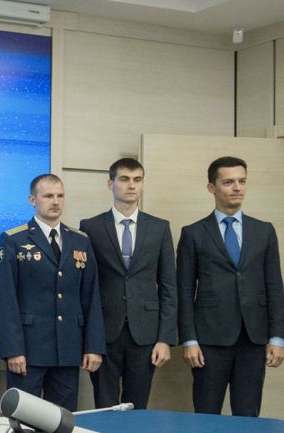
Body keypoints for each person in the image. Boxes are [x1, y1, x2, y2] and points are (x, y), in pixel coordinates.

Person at [177, 156, 284, 416]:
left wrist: (277, 337)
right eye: (228, 182)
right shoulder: (193, 233)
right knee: (206, 413)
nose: (237, 187)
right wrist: (189, 340)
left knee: (248, 416)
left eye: (242, 181)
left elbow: (275, 287)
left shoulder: (264, 231)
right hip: (209, 341)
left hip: (253, 339)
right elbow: (184, 290)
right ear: (211, 188)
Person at [0, 173, 105, 412]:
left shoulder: (80, 240)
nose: (55, 201)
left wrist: (93, 345)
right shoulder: (13, 239)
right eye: (48, 196)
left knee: (63, 421)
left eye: (60, 196)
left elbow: (91, 297)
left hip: (68, 350)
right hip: (28, 352)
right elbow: (5, 300)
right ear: (33, 199)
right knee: (24, 420)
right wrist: (13, 350)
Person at [79, 158, 176, 410]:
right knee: (105, 405)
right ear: (111, 183)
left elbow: (168, 287)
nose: (131, 185)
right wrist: (89, 340)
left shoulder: (159, 228)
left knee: (138, 406)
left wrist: (165, 339)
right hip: (104, 333)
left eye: (137, 179)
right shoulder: (90, 227)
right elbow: (85, 289)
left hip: (145, 335)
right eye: (124, 179)